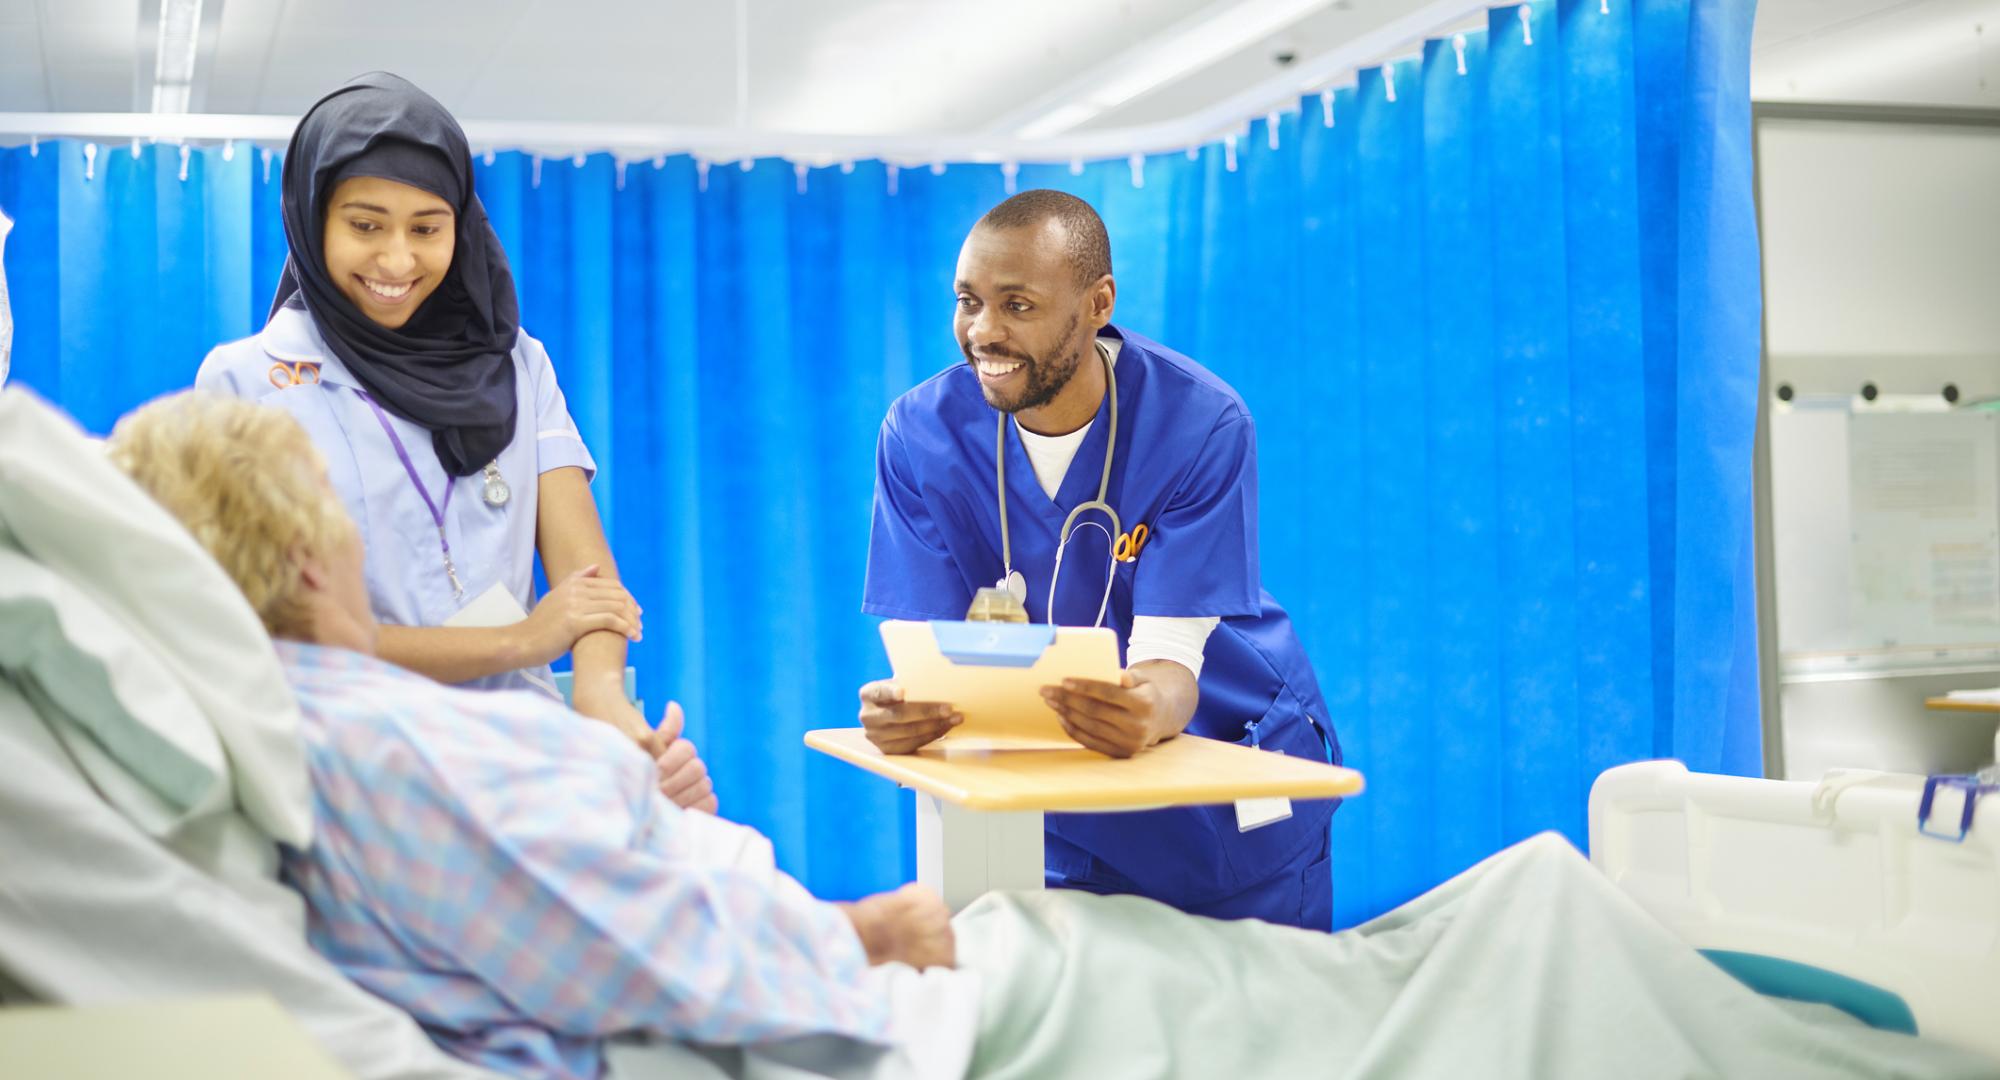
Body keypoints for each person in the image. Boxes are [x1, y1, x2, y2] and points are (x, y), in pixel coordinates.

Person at [98, 392, 1995, 1080]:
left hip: (1042, 909)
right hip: (950, 1013)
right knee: (1473, 955)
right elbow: (612, 949)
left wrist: (656, 806)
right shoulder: (365, 745)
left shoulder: (334, 729)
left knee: (1439, 951)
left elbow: (1188, 649)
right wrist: (851, 928)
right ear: (299, 546)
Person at [194, 73, 713, 812]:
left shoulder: (516, 365)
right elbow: (278, 638)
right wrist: (520, 642)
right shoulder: (248, 382)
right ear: (312, 220)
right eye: (365, 226)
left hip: (523, 764)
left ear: (460, 226)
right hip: (355, 776)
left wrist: (610, 714)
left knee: (703, 834)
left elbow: (589, 584)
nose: (397, 261)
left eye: (426, 228)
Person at [859, 190, 1341, 930]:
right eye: (968, 301)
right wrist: (910, 713)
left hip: (1232, 780)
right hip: (1071, 805)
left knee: (1256, 1000)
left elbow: (1169, 669)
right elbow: (939, 664)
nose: (982, 331)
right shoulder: (921, 437)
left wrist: (1146, 708)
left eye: (1017, 305)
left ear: (1098, 303)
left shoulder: (1198, 423)